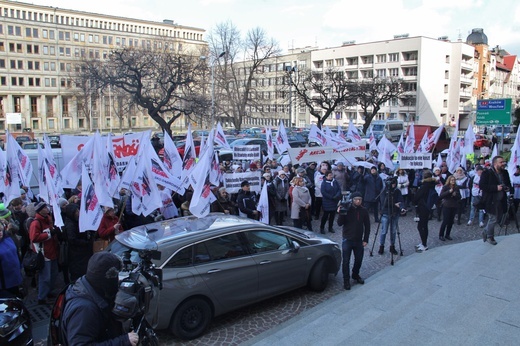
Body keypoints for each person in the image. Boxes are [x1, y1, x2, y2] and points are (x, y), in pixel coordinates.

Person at [60, 252, 139, 346]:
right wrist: (123, 341)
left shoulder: (87, 286)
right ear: (106, 279)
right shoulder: (84, 309)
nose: (117, 281)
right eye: (115, 276)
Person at [337, 192, 370, 290]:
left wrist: (365, 239)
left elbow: (367, 225)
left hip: (358, 240)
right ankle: (346, 280)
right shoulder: (347, 209)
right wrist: (341, 213)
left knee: (359, 260)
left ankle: (355, 275)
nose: (358, 201)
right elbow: (339, 223)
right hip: (347, 239)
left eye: (360, 199)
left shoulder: (364, 210)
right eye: (356, 199)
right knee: (346, 261)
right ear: (352, 200)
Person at [29, 202, 59, 305]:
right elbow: (34, 238)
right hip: (44, 253)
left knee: (53, 273)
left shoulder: (47, 219)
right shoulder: (36, 223)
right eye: (45, 207)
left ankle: (48, 292)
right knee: (45, 277)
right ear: (41, 210)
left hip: (52, 251)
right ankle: (41, 297)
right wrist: (48, 234)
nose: (47, 209)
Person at [480, 155, 512, 245]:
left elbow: (508, 184)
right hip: (490, 200)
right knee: (493, 218)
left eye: (504, 162)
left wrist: (507, 188)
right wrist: (495, 188)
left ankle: (485, 231)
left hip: (501, 200)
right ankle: (490, 237)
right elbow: (482, 185)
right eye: (501, 162)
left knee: (498, 217)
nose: (503, 163)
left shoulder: (505, 172)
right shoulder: (487, 173)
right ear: (495, 164)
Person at [63, 203, 93, 283]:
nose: (78, 212)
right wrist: (85, 242)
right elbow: (72, 239)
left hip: (81, 252)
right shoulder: (70, 224)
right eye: (76, 211)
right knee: (78, 273)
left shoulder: (76, 221)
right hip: (76, 253)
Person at [378, 179, 404, 255]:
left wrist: (402, 207)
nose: (393, 185)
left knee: (393, 231)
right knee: (384, 231)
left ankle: (392, 246)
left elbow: (401, 200)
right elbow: (384, 202)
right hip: (386, 213)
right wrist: (394, 204)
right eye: (392, 184)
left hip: (395, 213)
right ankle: (381, 246)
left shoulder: (397, 191)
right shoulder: (384, 191)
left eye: (395, 184)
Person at [413, 170, 437, 252]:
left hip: (423, 208)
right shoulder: (432, 184)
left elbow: (417, 196)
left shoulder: (425, 186)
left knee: (421, 226)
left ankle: (424, 244)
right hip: (427, 207)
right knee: (423, 225)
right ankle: (423, 243)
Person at [0, 221, 23, 297]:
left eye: (0, 230)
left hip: (15, 277)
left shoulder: (8, 239)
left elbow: (16, 253)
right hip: (4, 283)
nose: (0, 233)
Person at [438, 175, 461, 241]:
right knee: (445, 221)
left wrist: (455, 195)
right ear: (449, 181)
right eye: (451, 180)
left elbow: (459, 196)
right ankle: (441, 235)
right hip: (447, 205)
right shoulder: (445, 187)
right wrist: (449, 192)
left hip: (454, 205)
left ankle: (447, 234)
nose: (453, 181)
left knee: (451, 221)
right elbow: (441, 195)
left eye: (454, 180)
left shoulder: (456, 187)